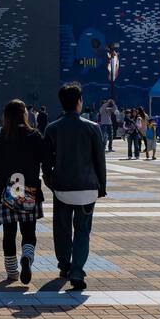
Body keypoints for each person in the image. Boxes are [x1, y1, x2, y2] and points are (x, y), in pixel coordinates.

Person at [42, 81, 107, 291]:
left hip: (62, 187)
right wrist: (101, 186)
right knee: (82, 231)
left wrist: (50, 181)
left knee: (62, 229)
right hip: (88, 188)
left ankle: (64, 265)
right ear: (79, 102)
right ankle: (77, 271)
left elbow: (46, 162)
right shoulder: (93, 128)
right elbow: (100, 161)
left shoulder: (52, 129)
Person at [0, 99, 46, 284]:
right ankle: (27, 258)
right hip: (28, 190)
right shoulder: (34, 136)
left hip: (7, 191)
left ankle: (12, 272)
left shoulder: (1, 138)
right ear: (24, 115)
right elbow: (46, 161)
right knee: (29, 233)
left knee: (8, 234)